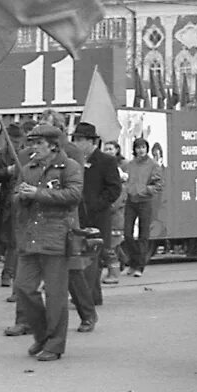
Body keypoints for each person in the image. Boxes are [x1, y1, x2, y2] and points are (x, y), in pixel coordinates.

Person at [14, 123, 84, 361]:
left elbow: (73, 196)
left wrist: (38, 194)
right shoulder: (29, 168)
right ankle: (42, 335)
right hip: (30, 236)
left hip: (56, 235)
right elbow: (16, 196)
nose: (33, 147)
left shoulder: (70, 167)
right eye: (32, 142)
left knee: (55, 294)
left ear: (53, 146)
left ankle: (55, 344)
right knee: (23, 288)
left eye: (38, 143)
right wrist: (22, 196)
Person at [66, 122, 121, 331]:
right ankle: (93, 296)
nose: (77, 143)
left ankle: (87, 301)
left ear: (92, 141)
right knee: (85, 261)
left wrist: (96, 204)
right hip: (77, 217)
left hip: (97, 218)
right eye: (75, 139)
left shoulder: (105, 161)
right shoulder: (72, 161)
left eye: (81, 139)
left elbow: (114, 188)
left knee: (92, 260)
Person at [0, 123, 27, 291]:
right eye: (13, 140)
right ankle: (8, 269)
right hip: (6, 200)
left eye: (18, 140)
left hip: (23, 199)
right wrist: (8, 171)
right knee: (6, 238)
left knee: (15, 239)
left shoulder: (28, 154)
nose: (16, 143)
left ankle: (9, 273)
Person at [122, 138, 163, 277]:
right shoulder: (130, 164)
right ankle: (134, 261)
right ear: (134, 149)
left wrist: (144, 190)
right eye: (138, 147)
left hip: (145, 202)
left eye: (143, 147)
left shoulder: (153, 165)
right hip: (131, 201)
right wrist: (127, 188)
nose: (141, 150)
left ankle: (139, 266)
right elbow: (125, 179)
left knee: (143, 235)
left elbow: (158, 185)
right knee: (127, 234)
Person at [101, 141, 128, 284]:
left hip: (114, 218)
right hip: (109, 217)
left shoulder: (120, 187)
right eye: (105, 148)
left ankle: (114, 274)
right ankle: (123, 261)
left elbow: (117, 203)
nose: (107, 151)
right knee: (112, 245)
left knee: (110, 248)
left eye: (110, 149)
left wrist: (106, 207)